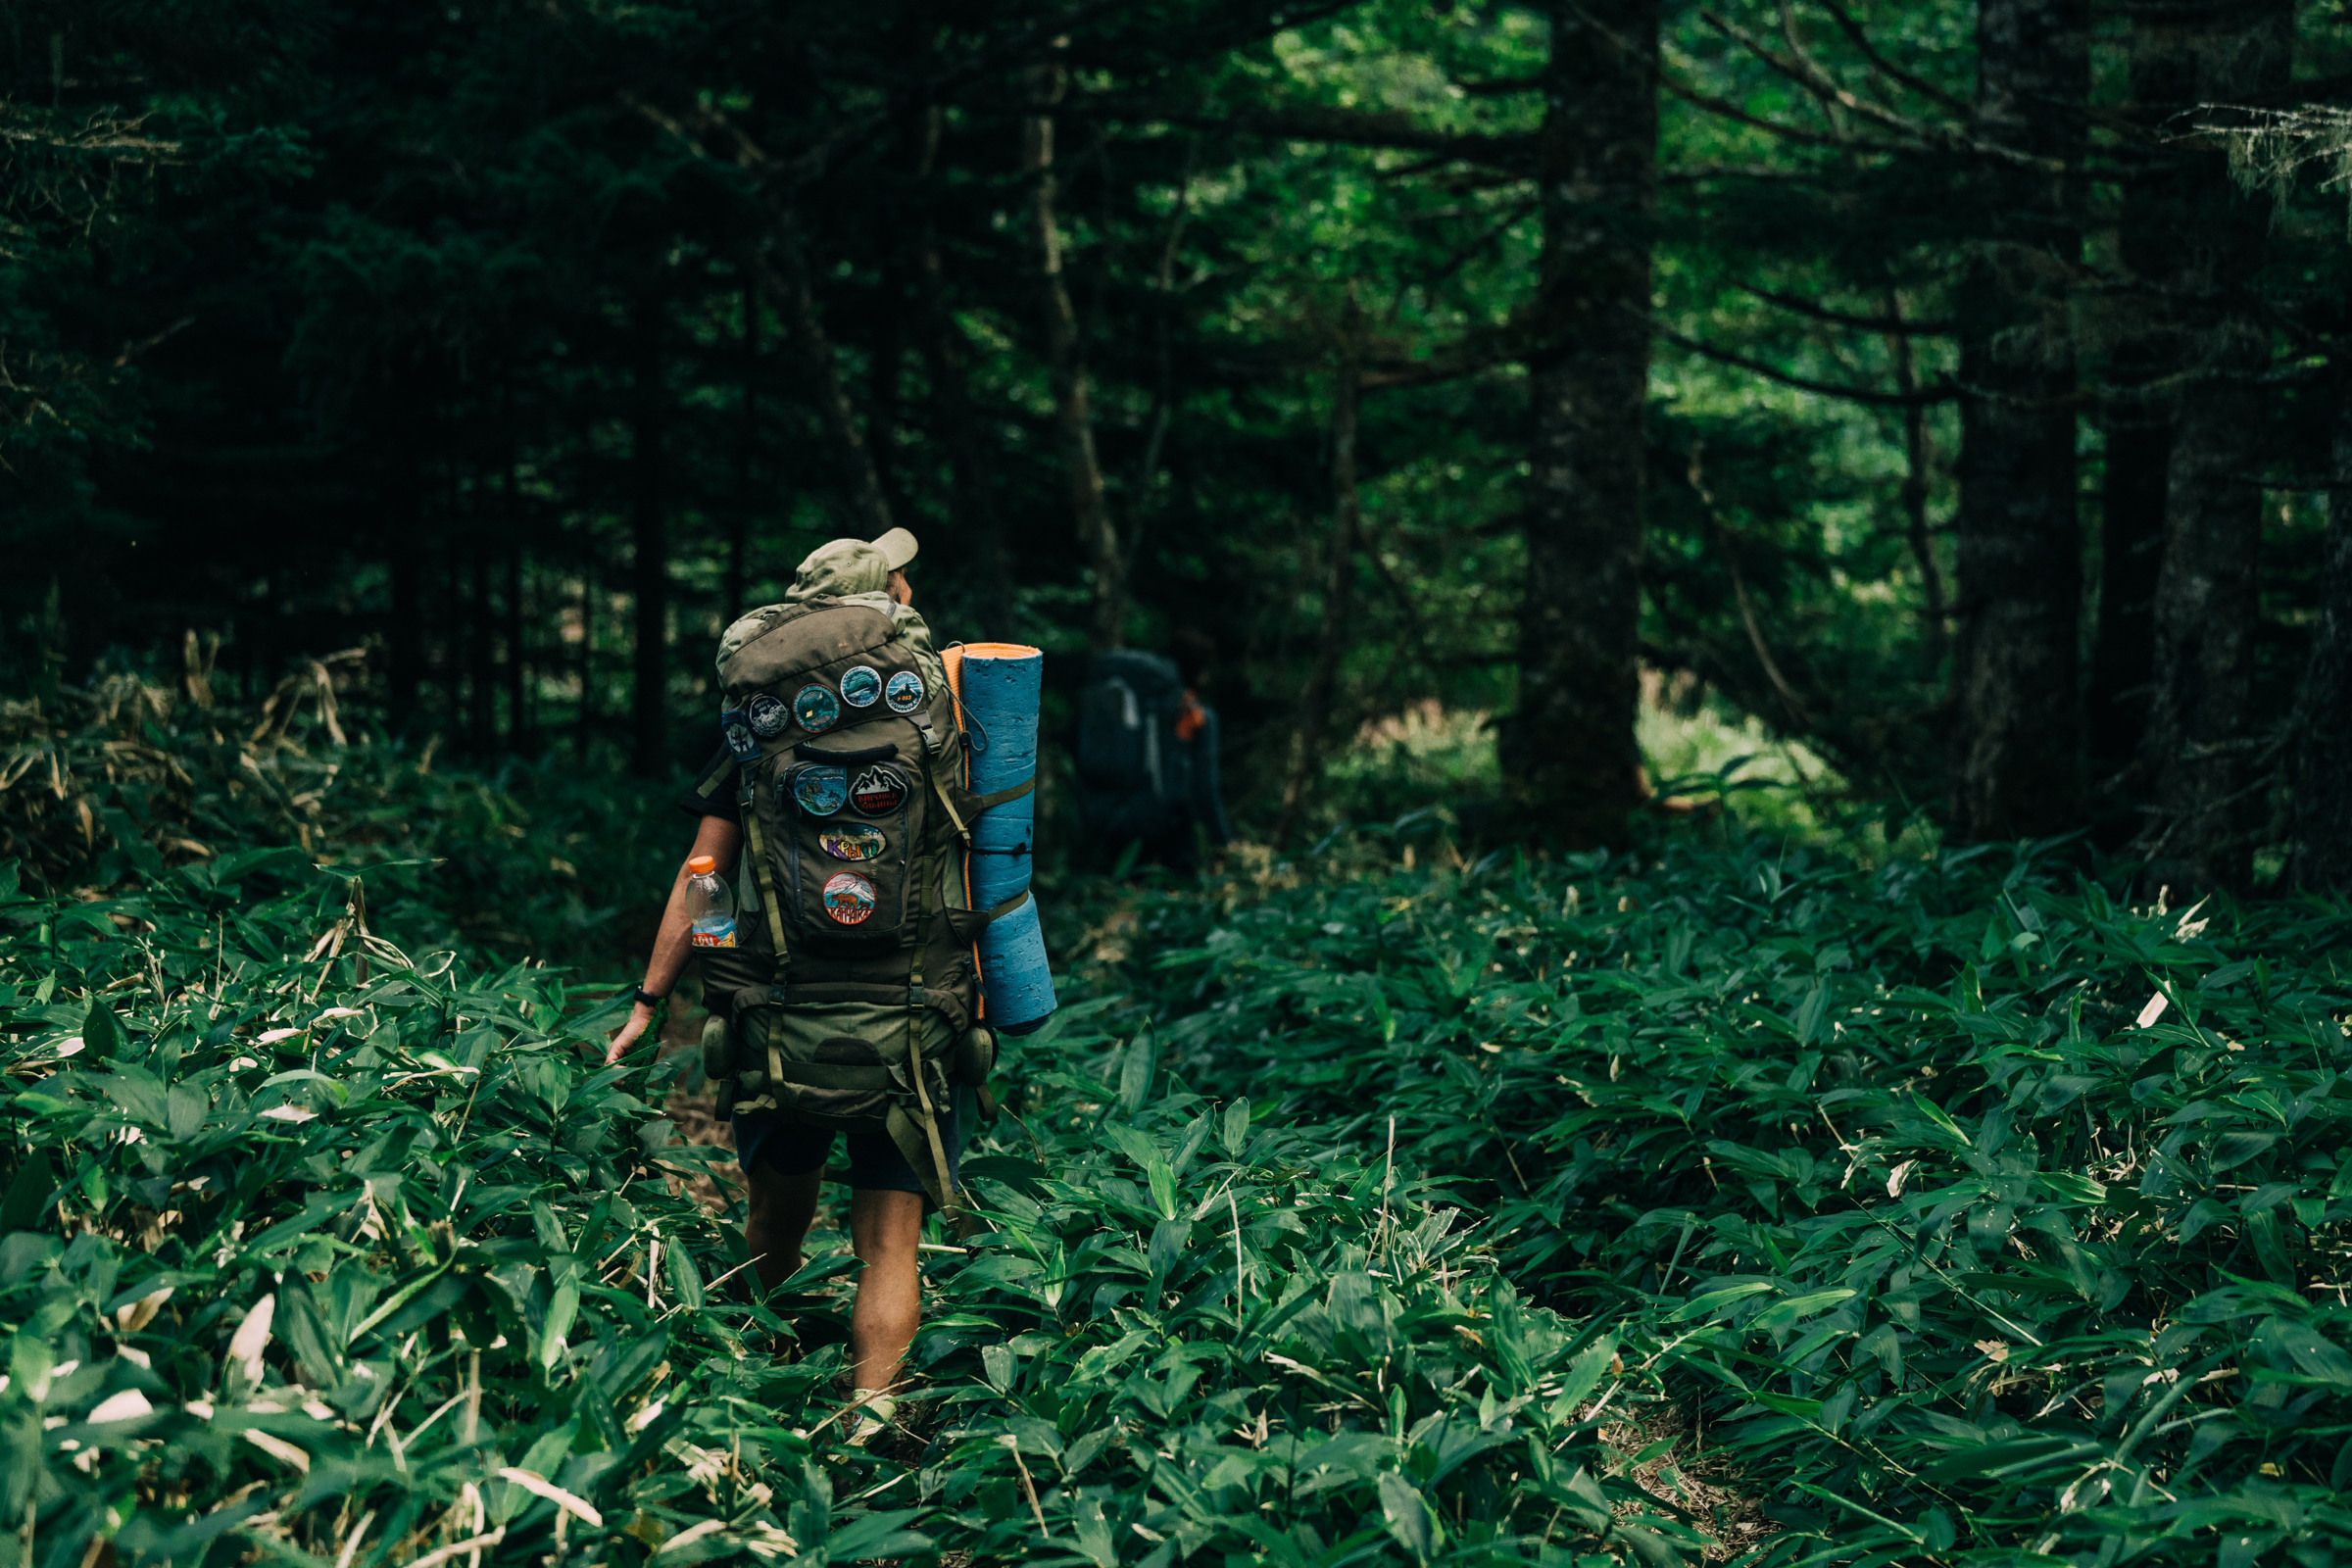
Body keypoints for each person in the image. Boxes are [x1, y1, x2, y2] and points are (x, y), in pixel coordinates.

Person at [605, 525, 959, 1440]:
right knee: (890, 1242)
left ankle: (750, 1401)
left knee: (775, 1216)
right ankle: (872, 1419)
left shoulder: (757, 726)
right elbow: (993, 865)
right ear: (889, 601)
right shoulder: (945, 709)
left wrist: (657, 998)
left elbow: (703, 875)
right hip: (913, 1013)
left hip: (777, 1008)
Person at [1073, 628, 1231, 870]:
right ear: (1198, 670)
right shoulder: (1194, 713)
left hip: (1108, 814)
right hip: (1165, 824)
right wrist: (1223, 845)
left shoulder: (1129, 699)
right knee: (1173, 895)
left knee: (1122, 894)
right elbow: (1205, 787)